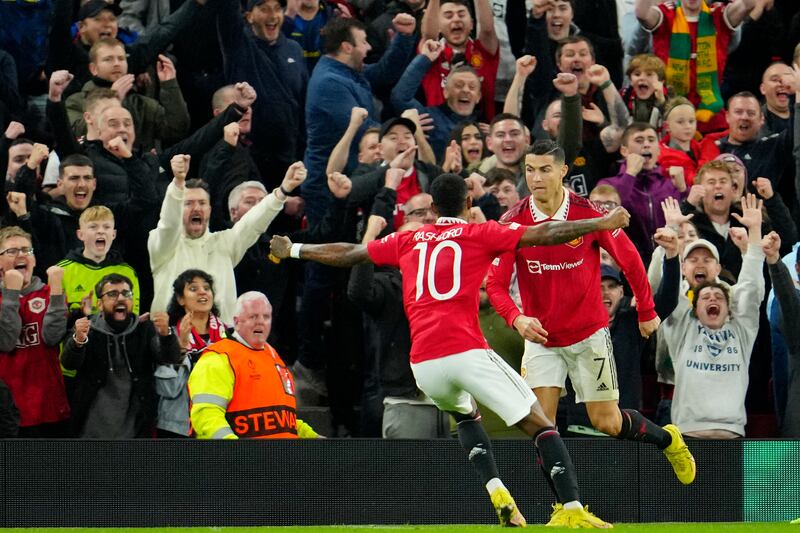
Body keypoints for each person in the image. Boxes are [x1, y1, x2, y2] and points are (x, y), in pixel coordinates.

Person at [271, 172, 633, 527]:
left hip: (424, 364)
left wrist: (294, 249)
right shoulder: (480, 233)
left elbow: (352, 253)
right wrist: (599, 222)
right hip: (465, 350)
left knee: (465, 415)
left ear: (431, 206)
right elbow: (544, 232)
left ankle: (497, 491)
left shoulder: (408, 240)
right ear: (469, 202)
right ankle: (571, 507)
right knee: (542, 425)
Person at [486, 140, 696, 487]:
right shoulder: (514, 221)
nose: (536, 178)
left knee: (607, 423)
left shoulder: (590, 213)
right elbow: (494, 284)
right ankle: (565, 507)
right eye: (530, 170)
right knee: (541, 425)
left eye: (545, 169)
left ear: (563, 171)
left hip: (588, 334)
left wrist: (646, 309)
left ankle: (668, 440)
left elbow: (629, 260)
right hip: (542, 339)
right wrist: (516, 318)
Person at [147, 154, 306, 323]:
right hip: (173, 341)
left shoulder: (225, 243)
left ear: (209, 210)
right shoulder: (162, 244)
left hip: (221, 343)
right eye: (188, 203)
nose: (196, 208)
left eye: (202, 203)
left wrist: (282, 191)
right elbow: (169, 223)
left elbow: (252, 224)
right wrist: (178, 184)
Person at [660, 194, 767, 438]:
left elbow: (750, 287)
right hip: (688, 434)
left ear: (730, 307)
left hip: (733, 435)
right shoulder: (682, 328)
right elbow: (668, 290)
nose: (712, 299)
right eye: (705, 297)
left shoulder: (742, 331)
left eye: (718, 297)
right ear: (693, 307)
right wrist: (672, 230)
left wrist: (755, 233)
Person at [61, 273, 183, 438]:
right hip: (91, 429)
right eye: (112, 294)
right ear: (100, 304)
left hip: (134, 429)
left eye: (126, 294)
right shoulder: (87, 327)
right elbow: (69, 363)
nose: (120, 298)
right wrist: (78, 340)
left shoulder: (144, 329)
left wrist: (166, 335)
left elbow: (169, 358)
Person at [188, 291, 321, 440]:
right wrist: (237, 452)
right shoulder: (218, 358)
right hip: (239, 461)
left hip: (281, 459)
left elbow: (282, 419)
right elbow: (206, 415)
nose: (261, 322)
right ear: (237, 321)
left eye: (266, 317)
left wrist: (313, 438)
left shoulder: (273, 356)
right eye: (253, 316)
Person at [634, 0, 761, 133]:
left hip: (711, 117)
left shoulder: (719, 16)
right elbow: (642, 14)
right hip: (671, 113)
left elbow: (749, 4)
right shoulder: (666, 15)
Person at [0, 227, 70, 437]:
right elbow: (6, 341)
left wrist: (57, 293)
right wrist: (11, 294)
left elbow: (52, 338)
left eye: (27, 250)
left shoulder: (50, 292)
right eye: (12, 251)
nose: (21, 255)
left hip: (50, 406)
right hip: (10, 412)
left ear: (35, 259)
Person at [156, 269, 227, 437]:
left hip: (218, 422)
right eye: (193, 289)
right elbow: (167, 389)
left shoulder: (227, 336)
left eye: (207, 288)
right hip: (178, 426)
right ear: (181, 299)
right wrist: (181, 347)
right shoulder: (168, 336)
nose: (202, 291)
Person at [57, 206, 141, 319]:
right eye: (93, 227)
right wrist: (80, 314)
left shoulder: (127, 272)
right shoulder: (61, 271)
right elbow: (56, 321)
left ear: (113, 234)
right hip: (76, 335)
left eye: (106, 227)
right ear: (80, 234)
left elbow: (132, 316)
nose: (101, 231)